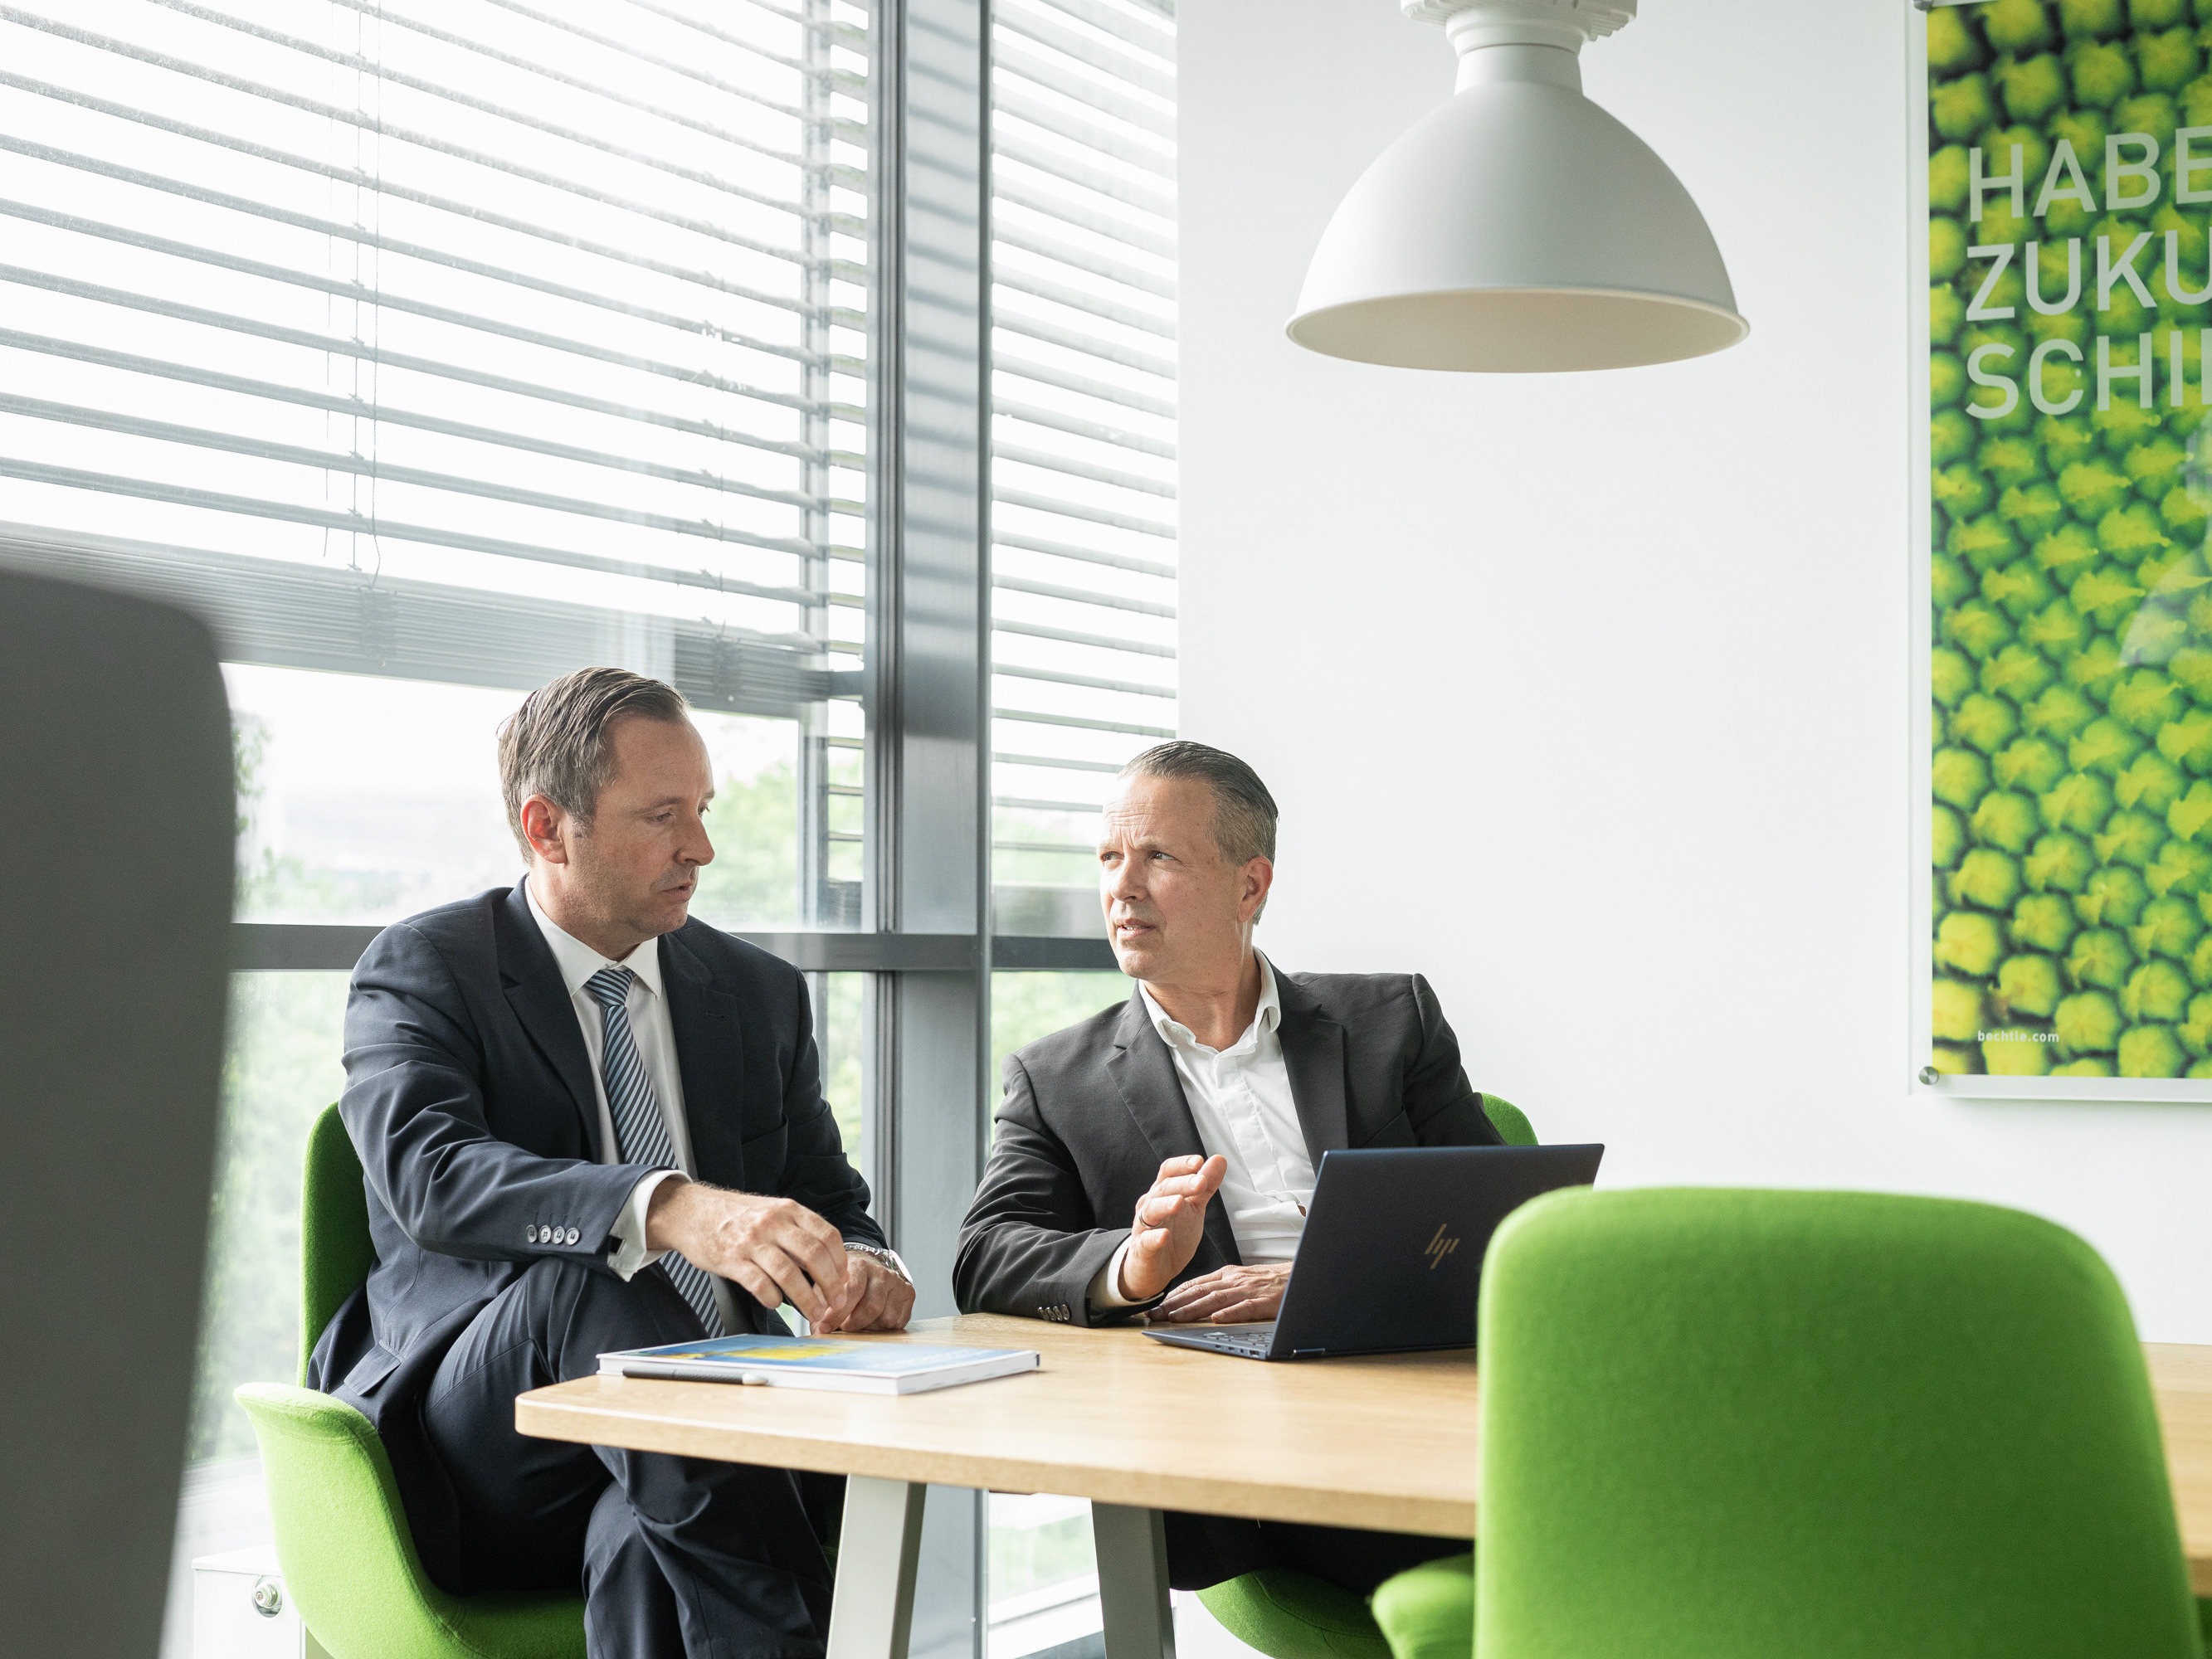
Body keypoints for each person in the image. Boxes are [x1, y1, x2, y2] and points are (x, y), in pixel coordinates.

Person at [310, 667, 913, 1659]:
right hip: (495, 1442)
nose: (701, 847)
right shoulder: (426, 967)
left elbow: (828, 1195)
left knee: (644, 1537)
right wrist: (667, 1206)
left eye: (703, 810)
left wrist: (863, 1265)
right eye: (662, 815)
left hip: (708, 1443)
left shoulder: (756, 991)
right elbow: (431, 1175)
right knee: (588, 1278)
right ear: (547, 827)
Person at [953, 740, 1501, 1594]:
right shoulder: (1056, 1078)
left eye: (1158, 857)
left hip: (1434, 1386)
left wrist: (1317, 1282)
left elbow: (1501, 1221)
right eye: (1108, 857)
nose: (1122, 887)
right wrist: (1130, 1265)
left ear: (1250, 886)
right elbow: (986, 1254)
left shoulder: (1392, 1020)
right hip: (1250, 1439)